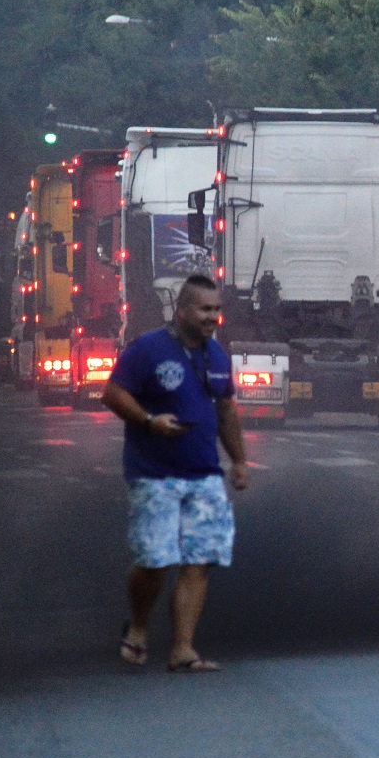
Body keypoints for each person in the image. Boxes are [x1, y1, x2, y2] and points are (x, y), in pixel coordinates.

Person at [102, 273, 250, 672]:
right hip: (153, 474)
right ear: (182, 310)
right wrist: (149, 421)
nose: (213, 317)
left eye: (217, 310)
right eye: (205, 309)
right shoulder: (148, 349)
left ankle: (183, 648)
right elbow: (113, 393)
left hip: (204, 475)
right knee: (154, 559)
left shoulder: (217, 356)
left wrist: (238, 460)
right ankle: (137, 627)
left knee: (200, 559)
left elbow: (225, 410)